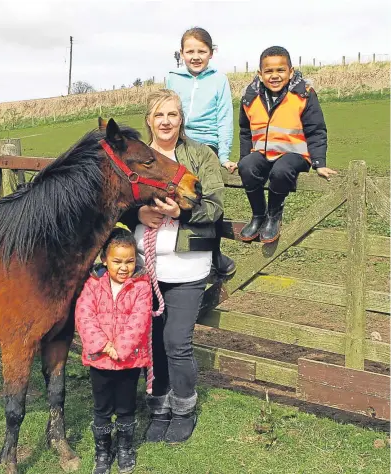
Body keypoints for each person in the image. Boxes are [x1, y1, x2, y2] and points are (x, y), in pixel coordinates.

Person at [120, 89, 224, 444]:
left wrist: (182, 213)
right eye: (159, 115)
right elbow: (116, 200)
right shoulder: (136, 157)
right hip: (144, 269)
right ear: (149, 120)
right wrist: (138, 213)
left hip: (186, 267)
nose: (166, 122)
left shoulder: (199, 156)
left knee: (176, 342)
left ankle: (184, 408)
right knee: (151, 341)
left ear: (182, 119)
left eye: (173, 115)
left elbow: (215, 206)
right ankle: (159, 407)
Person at [238, 46, 338, 243]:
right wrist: (243, 158)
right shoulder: (250, 97)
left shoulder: (304, 94)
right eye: (268, 71)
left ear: (291, 72)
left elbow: (316, 129)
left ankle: (274, 215)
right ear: (260, 74)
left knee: (281, 170)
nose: (274, 76)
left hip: (295, 155)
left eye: (280, 70)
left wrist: (319, 162)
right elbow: (245, 131)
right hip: (263, 153)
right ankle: (259, 214)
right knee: (246, 167)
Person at [75, 228, 152, 474]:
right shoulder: (93, 285)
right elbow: (84, 315)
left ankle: (125, 448)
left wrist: (121, 347)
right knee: (102, 408)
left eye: (129, 261)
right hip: (100, 362)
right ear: (104, 260)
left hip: (129, 361)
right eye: (117, 261)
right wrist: (103, 345)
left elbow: (139, 320)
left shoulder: (141, 287)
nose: (123, 267)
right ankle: (103, 450)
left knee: (126, 407)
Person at [166, 26, 236, 277]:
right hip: (178, 140)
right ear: (182, 53)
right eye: (190, 51)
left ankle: (212, 252)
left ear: (211, 53)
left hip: (207, 144)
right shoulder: (173, 77)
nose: (195, 56)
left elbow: (224, 118)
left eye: (201, 51)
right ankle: (164, 248)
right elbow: (165, 109)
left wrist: (224, 155)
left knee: (206, 192)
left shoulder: (219, 80)